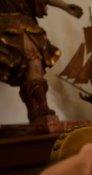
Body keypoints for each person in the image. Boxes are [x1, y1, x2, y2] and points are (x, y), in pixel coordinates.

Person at [0, 0, 83, 131]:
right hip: (5, 22)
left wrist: (64, 6)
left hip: (25, 23)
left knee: (35, 61)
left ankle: (39, 110)